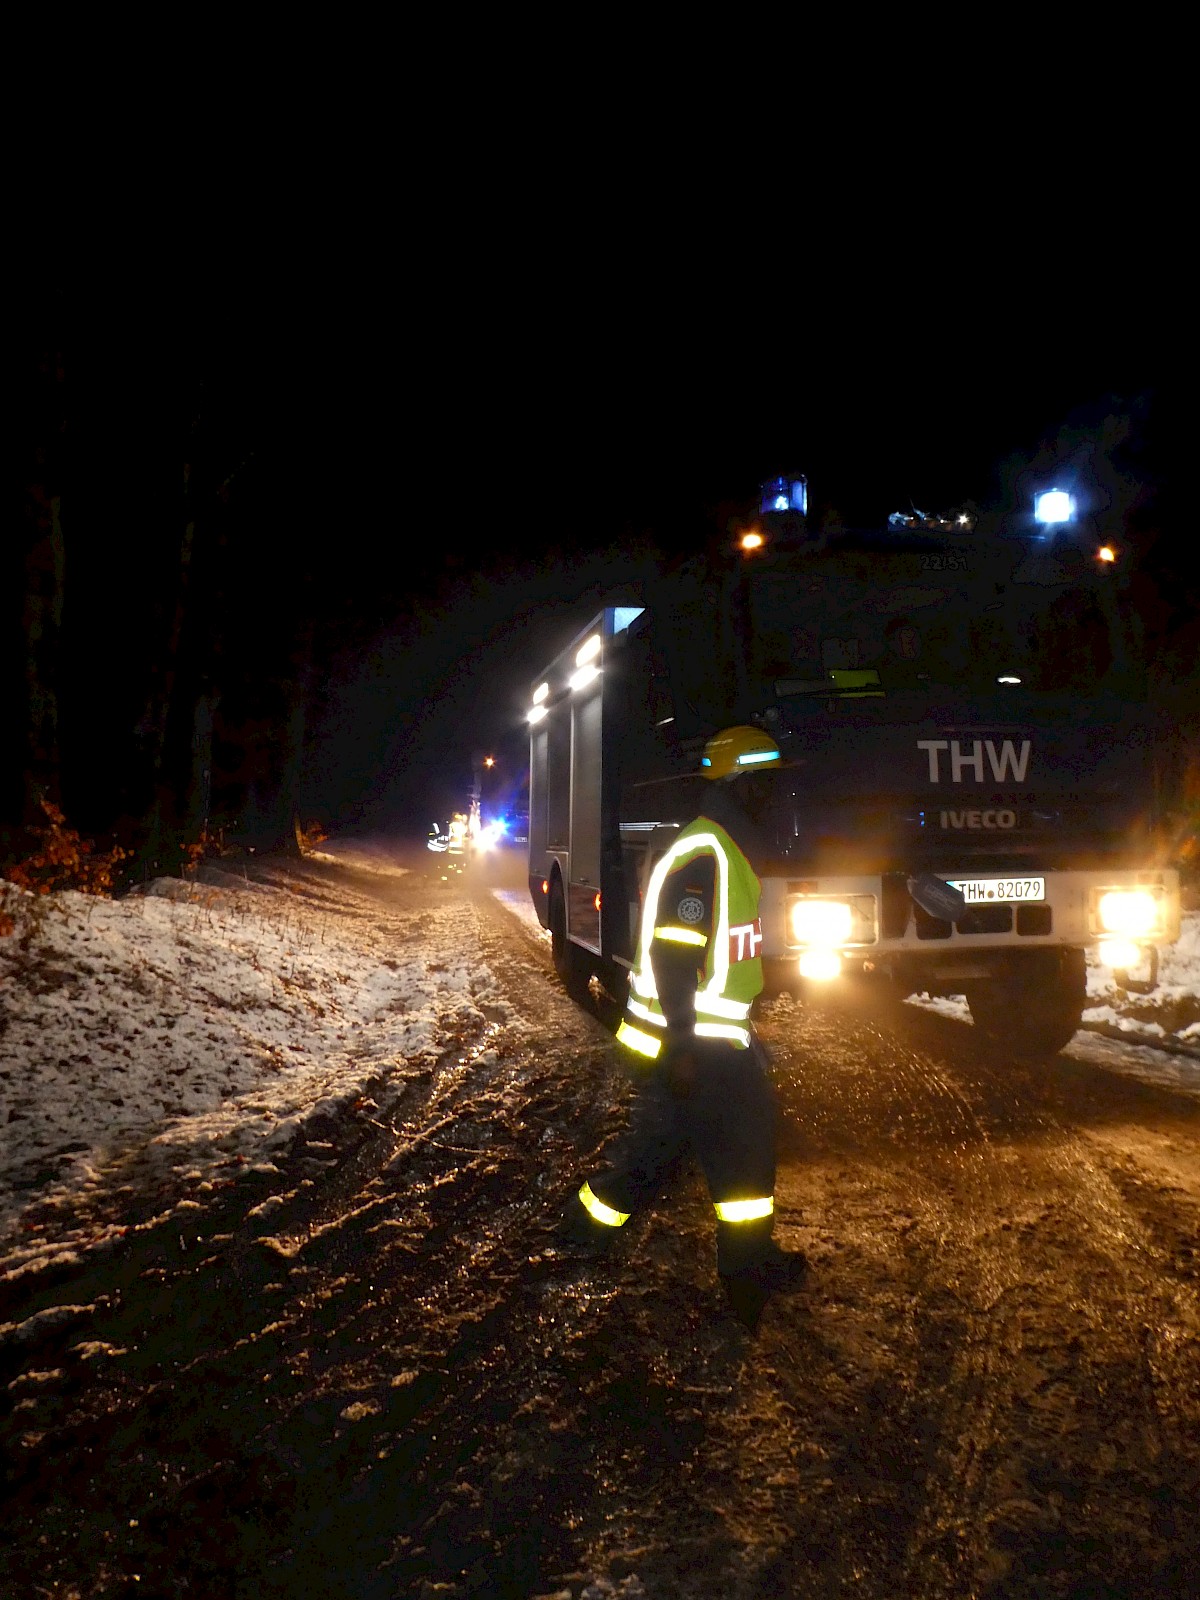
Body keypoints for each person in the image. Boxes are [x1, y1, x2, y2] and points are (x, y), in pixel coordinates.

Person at [559, 725, 808, 1331]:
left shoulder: (723, 846)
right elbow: (674, 961)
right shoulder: (706, 856)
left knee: (664, 1149)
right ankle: (745, 1270)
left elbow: (719, 957)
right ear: (740, 785)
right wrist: (683, 1048)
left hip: (709, 1036)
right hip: (697, 1039)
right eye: (765, 784)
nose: (774, 796)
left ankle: (586, 1229)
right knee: (737, 1152)